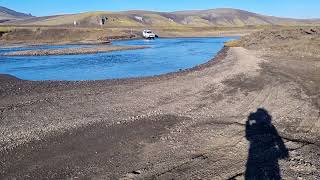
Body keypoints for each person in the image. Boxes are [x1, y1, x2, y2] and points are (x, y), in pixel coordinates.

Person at [245, 108, 289, 180]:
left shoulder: (257, 127)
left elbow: (248, 136)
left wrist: (248, 122)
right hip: (269, 156)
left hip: (257, 155)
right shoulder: (270, 127)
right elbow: (277, 138)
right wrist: (283, 150)